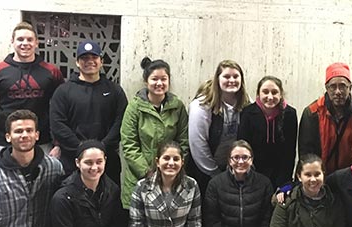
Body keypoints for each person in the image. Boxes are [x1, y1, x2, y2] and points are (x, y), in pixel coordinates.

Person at [0, 21, 64, 170]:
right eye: (20, 39)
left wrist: (58, 144)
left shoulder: (51, 72)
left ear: (37, 43)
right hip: (3, 144)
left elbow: (60, 111)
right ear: (12, 41)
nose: (25, 44)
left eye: (30, 40)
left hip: (42, 143)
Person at [50, 40, 127, 184]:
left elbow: (121, 122)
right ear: (77, 62)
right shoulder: (63, 91)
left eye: (94, 58)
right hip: (73, 160)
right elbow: (57, 124)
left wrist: (102, 148)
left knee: (108, 203)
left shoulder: (114, 90)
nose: (90, 61)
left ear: (101, 61)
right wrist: (82, 149)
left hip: (107, 160)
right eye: (85, 58)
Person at [121, 57, 188, 209]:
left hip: (171, 176)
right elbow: (129, 144)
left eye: (163, 79)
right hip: (140, 177)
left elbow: (183, 140)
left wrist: (173, 169)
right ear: (146, 81)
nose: (159, 83)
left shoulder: (177, 106)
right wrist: (147, 172)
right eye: (154, 79)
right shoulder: (135, 107)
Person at [187, 59, 250, 196]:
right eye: (226, 76)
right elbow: (198, 144)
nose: (231, 80)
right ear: (217, 79)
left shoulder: (246, 103)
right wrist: (214, 173)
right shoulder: (201, 106)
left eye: (235, 76)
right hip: (205, 171)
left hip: (234, 169)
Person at [299, 62, 352, 175]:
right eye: (333, 87)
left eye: (343, 86)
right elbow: (306, 153)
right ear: (326, 88)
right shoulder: (312, 113)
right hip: (321, 178)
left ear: (350, 87)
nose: (338, 92)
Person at [238, 75, 297, 188]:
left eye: (274, 92)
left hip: (280, 174)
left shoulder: (290, 114)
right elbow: (243, 147)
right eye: (265, 92)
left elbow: (290, 152)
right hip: (253, 174)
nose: (270, 97)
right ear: (258, 94)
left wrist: (284, 182)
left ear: (281, 95)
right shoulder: (247, 113)